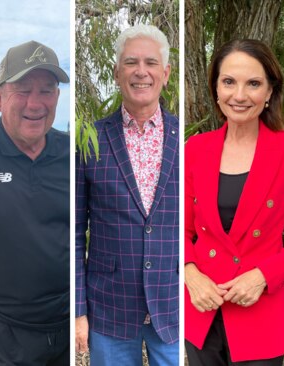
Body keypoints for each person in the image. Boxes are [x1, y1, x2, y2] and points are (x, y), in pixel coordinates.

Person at [74, 24, 179, 365]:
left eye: (150, 62)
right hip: (109, 310)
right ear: (117, 72)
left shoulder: (187, 142)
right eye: (131, 62)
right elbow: (74, 233)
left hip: (174, 304)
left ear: (165, 73)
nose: (141, 71)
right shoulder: (90, 140)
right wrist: (78, 312)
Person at [184, 39, 284, 365]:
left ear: (270, 91)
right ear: (216, 87)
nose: (239, 95)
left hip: (259, 314)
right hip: (202, 310)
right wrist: (190, 275)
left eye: (253, 83)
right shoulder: (195, 149)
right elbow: (176, 227)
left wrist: (265, 274)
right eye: (229, 81)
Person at [0, 40, 69, 365]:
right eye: (23, 90)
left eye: (47, 90)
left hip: (71, 324)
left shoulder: (73, 154)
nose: (36, 103)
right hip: (8, 332)